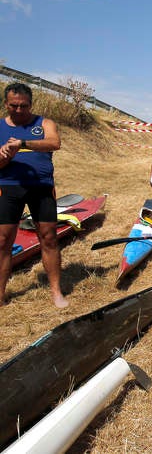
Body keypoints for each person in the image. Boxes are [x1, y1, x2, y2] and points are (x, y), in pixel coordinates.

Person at [0, 83, 67, 308]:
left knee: (49, 238)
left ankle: (56, 292)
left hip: (41, 188)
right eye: (14, 106)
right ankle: (0, 295)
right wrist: (5, 156)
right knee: (3, 241)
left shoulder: (44, 123)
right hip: (8, 188)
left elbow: (54, 143)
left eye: (24, 106)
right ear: (6, 103)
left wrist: (23, 143)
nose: (19, 110)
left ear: (31, 104)